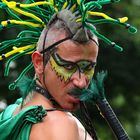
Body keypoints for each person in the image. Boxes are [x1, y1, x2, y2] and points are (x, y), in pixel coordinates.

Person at [0, 0, 137, 140]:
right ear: (39, 62)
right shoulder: (60, 125)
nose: (81, 83)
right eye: (68, 66)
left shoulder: (10, 113)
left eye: (88, 68)